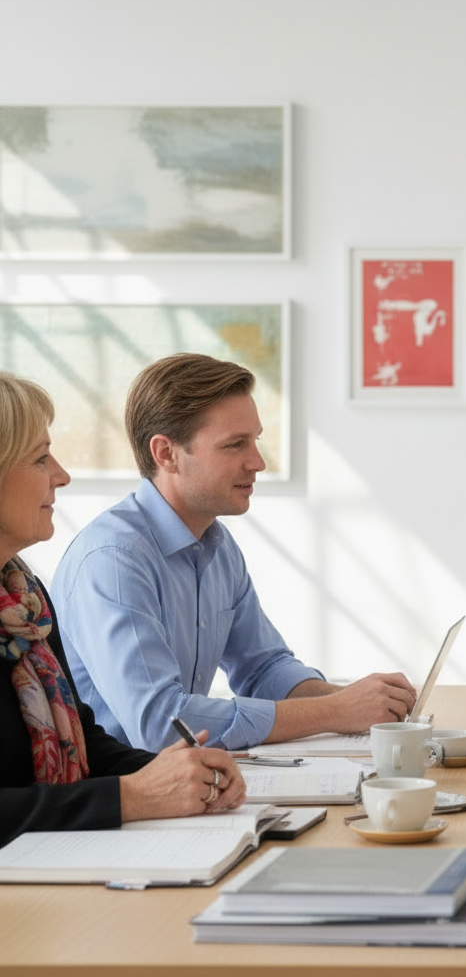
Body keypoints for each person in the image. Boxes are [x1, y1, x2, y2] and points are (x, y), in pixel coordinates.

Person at [53, 354, 416, 752]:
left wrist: (363, 704)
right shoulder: (113, 561)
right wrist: (337, 711)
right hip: (126, 797)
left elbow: (264, 668)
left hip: (187, 787)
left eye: (255, 440)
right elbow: (163, 724)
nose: (257, 462)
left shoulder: (216, 544)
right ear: (166, 453)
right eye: (235, 445)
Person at [0, 372, 246, 849]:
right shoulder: (107, 558)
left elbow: (84, 739)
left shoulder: (23, 600)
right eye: (40, 458)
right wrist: (131, 796)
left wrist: (182, 772)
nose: (62, 476)